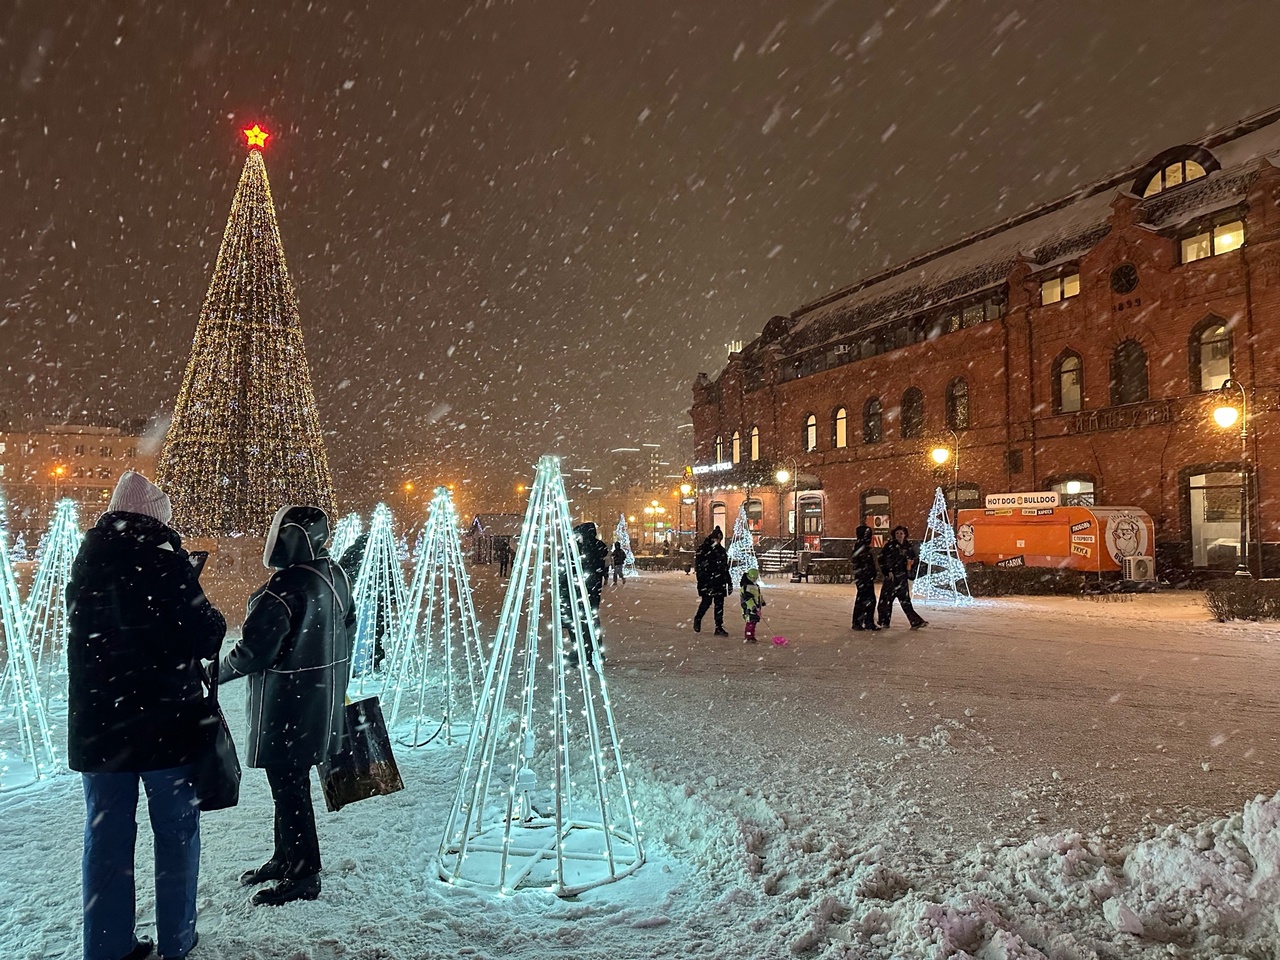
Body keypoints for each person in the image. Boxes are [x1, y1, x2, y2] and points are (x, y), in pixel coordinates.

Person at [67, 470, 226, 960]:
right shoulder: (169, 567)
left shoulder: (85, 563)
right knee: (176, 834)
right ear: (157, 519)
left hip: (101, 730)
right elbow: (210, 636)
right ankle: (177, 940)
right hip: (166, 728)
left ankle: (107, 946)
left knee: (107, 838)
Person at [219, 505, 356, 907]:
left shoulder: (282, 589)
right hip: (320, 700)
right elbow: (347, 627)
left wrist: (216, 673)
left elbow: (253, 653)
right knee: (290, 787)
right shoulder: (336, 575)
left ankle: (303, 873)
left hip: (287, 707)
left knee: (290, 789)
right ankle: (286, 857)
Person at [877, 525, 927, 630]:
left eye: (901, 533)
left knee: (905, 601)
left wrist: (911, 565)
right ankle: (884, 621)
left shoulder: (908, 546)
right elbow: (882, 560)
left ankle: (915, 621)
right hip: (891, 577)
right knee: (886, 600)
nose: (899, 535)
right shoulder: (889, 546)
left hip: (902, 577)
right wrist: (888, 571)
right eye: (897, 533)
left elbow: (913, 559)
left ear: (905, 535)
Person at [693, 526, 731, 636]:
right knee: (707, 601)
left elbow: (725, 568)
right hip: (708, 581)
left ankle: (718, 626)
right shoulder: (703, 550)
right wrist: (704, 581)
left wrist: (729, 582)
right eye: (716, 539)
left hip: (719, 581)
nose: (717, 541)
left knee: (719, 604)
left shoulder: (721, 551)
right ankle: (698, 618)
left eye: (719, 540)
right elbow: (699, 568)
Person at [851, 524, 879, 631]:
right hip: (863, 578)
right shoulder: (860, 546)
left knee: (868, 600)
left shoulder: (863, 546)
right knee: (865, 600)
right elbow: (859, 562)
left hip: (865, 577)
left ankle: (866, 622)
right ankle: (861, 622)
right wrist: (865, 573)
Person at [739, 567, 765, 643]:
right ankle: (749, 636)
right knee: (750, 622)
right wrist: (752, 607)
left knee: (754, 622)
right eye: (752, 578)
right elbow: (747, 599)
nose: (754, 579)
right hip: (748, 608)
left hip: (756, 607)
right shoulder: (745, 587)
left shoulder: (756, 586)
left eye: (755, 578)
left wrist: (762, 601)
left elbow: (758, 595)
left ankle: (751, 635)